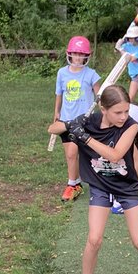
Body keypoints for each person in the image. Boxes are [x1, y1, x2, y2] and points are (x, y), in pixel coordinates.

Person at [48, 84, 138, 274]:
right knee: (94, 239)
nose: (123, 116)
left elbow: (115, 155)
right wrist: (71, 124)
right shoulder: (89, 121)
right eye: (118, 112)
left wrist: (84, 138)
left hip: (127, 187)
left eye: (126, 111)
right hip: (100, 186)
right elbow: (52, 128)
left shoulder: (131, 126)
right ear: (103, 109)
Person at [54, 36, 100, 201]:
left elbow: (99, 96)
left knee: (82, 154)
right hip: (66, 120)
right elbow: (59, 94)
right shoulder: (62, 73)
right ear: (70, 54)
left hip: (85, 121)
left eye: (81, 54)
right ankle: (75, 183)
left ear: (86, 56)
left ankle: (75, 184)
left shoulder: (91, 74)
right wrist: (56, 113)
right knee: (70, 155)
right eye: (75, 54)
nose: (78, 57)